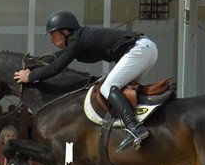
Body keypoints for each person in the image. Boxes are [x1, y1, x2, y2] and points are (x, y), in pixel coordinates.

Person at [13, 10, 158, 152]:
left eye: (53, 34)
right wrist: (33, 66)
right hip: (146, 49)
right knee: (124, 91)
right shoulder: (77, 39)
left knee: (107, 87)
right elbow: (58, 57)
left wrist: (30, 77)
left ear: (65, 32)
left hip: (138, 50)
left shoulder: (77, 40)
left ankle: (134, 127)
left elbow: (56, 68)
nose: (51, 40)